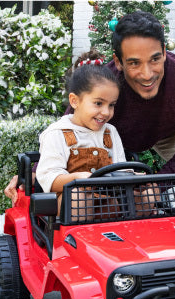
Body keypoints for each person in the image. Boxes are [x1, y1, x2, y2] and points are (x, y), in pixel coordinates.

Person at [6, 11, 175, 224]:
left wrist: (155, 186)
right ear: (118, 61)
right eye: (134, 63)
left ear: (164, 51)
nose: (147, 74)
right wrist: (32, 176)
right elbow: (70, 126)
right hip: (106, 131)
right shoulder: (103, 88)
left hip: (166, 130)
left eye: (155, 59)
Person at [33, 50, 127, 216]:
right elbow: (49, 179)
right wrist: (79, 179)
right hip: (67, 207)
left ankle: (145, 238)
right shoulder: (57, 133)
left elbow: (122, 172)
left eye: (111, 105)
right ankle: (75, 240)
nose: (106, 112)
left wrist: (136, 178)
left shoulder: (110, 132)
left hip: (106, 200)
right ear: (74, 101)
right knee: (80, 196)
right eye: (98, 103)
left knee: (141, 196)